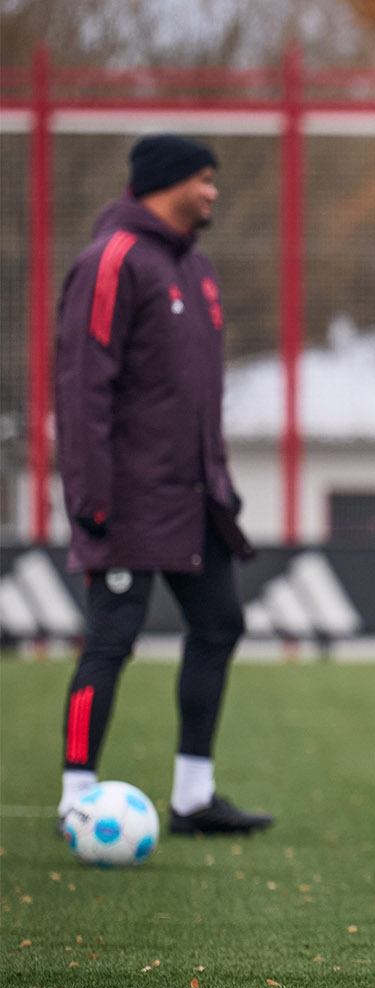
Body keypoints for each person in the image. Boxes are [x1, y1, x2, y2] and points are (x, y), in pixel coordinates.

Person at [53, 134, 271, 838]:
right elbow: (84, 388)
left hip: (192, 499)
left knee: (220, 624)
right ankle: (75, 797)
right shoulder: (110, 261)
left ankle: (192, 796)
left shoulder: (197, 270)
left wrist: (221, 481)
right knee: (110, 641)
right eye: (204, 179)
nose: (213, 191)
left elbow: (199, 394)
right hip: (125, 500)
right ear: (167, 182)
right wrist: (89, 497)